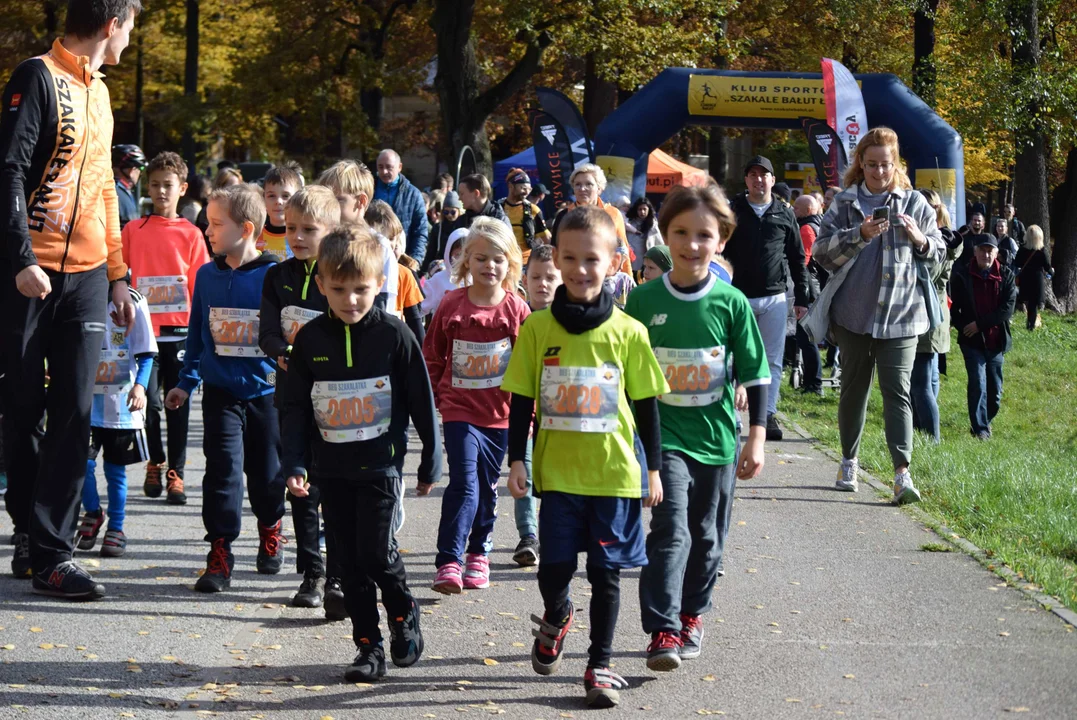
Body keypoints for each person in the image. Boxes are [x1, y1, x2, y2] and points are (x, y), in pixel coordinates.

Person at [501, 205, 668, 709]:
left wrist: (653, 470)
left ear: (615, 262)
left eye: (590, 259)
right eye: (568, 258)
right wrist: (517, 460)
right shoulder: (536, 329)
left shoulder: (629, 332)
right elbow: (521, 402)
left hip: (614, 475)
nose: (578, 269)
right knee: (554, 568)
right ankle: (557, 613)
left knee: (606, 573)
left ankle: (599, 664)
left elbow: (646, 406)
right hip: (557, 475)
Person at [1, 0, 140, 598]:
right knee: (22, 409)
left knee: (76, 414)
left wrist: (116, 274)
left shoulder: (103, 94)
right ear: (112, 25)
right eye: (131, 29)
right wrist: (21, 259)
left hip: (86, 279)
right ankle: (28, 532)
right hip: (26, 276)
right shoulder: (36, 76)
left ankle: (55, 553)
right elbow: (6, 171)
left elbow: (106, 187)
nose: (130, 42)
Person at [283, 225, 441, 682]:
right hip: (330, 469)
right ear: (322, 286)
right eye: (339, 290)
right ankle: (367, 648)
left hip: (380, 465)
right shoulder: (310, 340)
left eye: (362, 290)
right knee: (348, 563)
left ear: (379, 285)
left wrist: (432, 456)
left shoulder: (394, 336)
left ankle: (402, 611)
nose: (351, 300)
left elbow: (420, 398)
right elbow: (294, 406)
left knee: (375, 552)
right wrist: (294, 462)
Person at [625, 183, 769, 672]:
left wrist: (757, 436)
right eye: (681, 233)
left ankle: (692, 615)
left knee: (708, 535)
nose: (691, 245)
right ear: (665, 234)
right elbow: (625, 374)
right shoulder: (642, 303)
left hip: (717, 441)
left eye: (703, 235)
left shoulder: (731, 303)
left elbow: (755, 371)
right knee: (670, 531)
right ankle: (662, 629)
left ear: (721, 240)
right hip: (664, 438)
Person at [804, 127, 944, 504]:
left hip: (902, 317)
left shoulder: (914, 203)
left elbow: (939, 257)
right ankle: (849, 461)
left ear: (896, 164)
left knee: (897, 392)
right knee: (853, 391)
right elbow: (820, 253)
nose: (879, 172)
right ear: (860, 165)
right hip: (853, 316)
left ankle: (902, 473)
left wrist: (921, 240)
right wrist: (859, 234)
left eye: (886, 165)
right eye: (871, 165)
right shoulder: (845, 203)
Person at [165, 183, 286, 592]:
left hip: (266, 394)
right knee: (222, 474)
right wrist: (185, 382)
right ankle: (220, 552)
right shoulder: (206, 275)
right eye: (207, 223)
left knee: (267, 473)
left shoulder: (273, 276)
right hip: (220, 393)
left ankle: (271, 528)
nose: (208, 231)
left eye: (217, 224)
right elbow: (198, 335)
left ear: (247, 228)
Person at [423, 219, 530, 594]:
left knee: (485, 488)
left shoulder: (517, 310)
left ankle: (477, 554)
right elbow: (433, 355)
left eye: (498, 259)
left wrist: (527, 417)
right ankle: (449, 560)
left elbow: (529, 368)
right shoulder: (452, 304)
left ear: (510, 263)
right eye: (481, 258)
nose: (489, 266)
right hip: (459, 410)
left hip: (500, 415)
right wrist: (438, 397)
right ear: (466, 261)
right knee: (465, 483)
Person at [258, 185, 342, 613]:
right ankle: (312, 574)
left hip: (336, 400)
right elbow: (267, 334)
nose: (298, 237)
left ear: (331, 230)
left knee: (337, 488)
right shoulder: (277, 276)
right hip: (291, 398)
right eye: (291, 228)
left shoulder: (339, 275)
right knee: (301, 487)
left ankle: (340, 575)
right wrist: (287, 352)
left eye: (309, 228)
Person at [122, 151, 210, 505]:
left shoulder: (191, 234)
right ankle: (154, 462)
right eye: (155, 184)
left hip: (180, 333)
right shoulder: (133, 230)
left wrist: (203, 334)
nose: (161, 191)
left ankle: (177, 472)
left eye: (168, 186)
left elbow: (200, 287)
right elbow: (121, 276)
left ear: (182, 189)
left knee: (178, 405)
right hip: (145, 336)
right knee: (149, 405)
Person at [722, 155, 810, 440]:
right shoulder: (732, 211)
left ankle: (768, 414)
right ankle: (731, 415)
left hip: (774, 298)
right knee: (732, 358)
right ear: (746, 179)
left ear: (772, 180)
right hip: (737, 298)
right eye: (753, 174)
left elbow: (798, 258)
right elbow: (718, 252)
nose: (759, 180)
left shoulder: (784, 214)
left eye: (764, 175)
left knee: (772, 360)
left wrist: (802, 297)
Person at [511, 244, 562, 567]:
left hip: (559, 414)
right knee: (525, 471)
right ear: (525, 280)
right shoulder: (517, 315)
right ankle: (528, 535)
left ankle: (554, 531)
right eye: (536, 277)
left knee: (553, 476)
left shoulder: (567, 321)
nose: (542, 283)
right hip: (524, 411)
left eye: (550, 278)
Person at [950, 234, 1017, 440]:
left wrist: (979, 325)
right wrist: (965, 327)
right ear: (975, 251)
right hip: (972, 342)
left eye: (990, 251)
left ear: (996, 254)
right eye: (983, 250)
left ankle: (984, 421)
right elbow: (954, 310)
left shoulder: (1006, 275)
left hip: (995, 341)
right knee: (978, 383)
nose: (986, 255)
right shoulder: (962, 274)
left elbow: (1007, 309)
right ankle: (980, 429)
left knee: (995, 392)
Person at [910, 189, 962, 443]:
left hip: (927, 314)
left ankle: (932, 438)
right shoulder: (947, 239)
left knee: (920, 384)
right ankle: (923, 431)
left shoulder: (937, 241)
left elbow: (926, 275)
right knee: (929, 379)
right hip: (936, 314)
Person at [317, 160, 397, 311]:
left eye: (337, 199)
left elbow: (384, 303)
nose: (328, 206)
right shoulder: (325, 241)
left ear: (361, 201)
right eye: (326, 199)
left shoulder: (380, 246)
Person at [551, 164, 633, 275]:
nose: (582, 188)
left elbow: (623, 250)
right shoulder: (564, 216)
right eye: (577, 185)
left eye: (588, 184)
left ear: (599, 188)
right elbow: (555, 251)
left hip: (608, 278)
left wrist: (628, 280)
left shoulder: (613, 214)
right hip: (573, 276)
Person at [793, 194, 824, 395]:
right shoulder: (819, 225)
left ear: (806, 211)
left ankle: (814, 383)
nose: (793, 211)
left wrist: (800, 297)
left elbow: (802, 261)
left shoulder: (805, 228)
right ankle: (813, 381)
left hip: (808, 290)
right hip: (816, 287)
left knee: (806, 338)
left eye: (796, 208)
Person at [374, 149, 429, 264]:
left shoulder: (413, 194)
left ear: (399, 167)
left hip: (401, 261)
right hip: (372, 259)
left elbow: (420, 231)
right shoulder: (368, 190)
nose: (384, 171)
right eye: (380, 167)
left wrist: (415, 262)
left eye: (389, 167)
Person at [500, 168, 551, 265]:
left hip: (525, 264)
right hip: (503, 262)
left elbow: (547, 239)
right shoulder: (498, 209)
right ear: (511, 186)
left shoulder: (533, 210)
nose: (526, 192)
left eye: (529, 189)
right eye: (523, 188)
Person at [260, 162, 304, 261]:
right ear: (263, 198)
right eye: (271, 196)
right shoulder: (254, 237)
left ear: (298, 197)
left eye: (285, 196)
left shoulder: (303, 237)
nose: (278, 201)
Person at [422, 228, 469, 318]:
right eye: (458, 255)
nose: (462, 260)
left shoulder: (477, 279)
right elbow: (418, 309)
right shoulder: (439, 279)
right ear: (449, 254)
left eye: (466, 255)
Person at [1014, 225, 1053, 331]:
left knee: (1027, 301)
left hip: (1025, 278)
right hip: (1037, 280)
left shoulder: (1022, 249)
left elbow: (1016, 262)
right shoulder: (1041, 251)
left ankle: (1030, 322)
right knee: (1033, 304)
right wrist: (1051, 272)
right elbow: (1047, 266)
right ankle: (1031, 325)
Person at [424, 190, 463, 276]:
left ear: (459, 211)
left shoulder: (463, 227)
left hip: (457, 267)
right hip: (439, 268)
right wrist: (422, 272)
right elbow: (431, 252)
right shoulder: (438, 228)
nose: (449, 215)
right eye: (446, 212)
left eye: (453, 212)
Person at [112, 144, 146, 228]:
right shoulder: (116, 191)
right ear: (131, 169)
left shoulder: (122, 189)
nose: (140, 172)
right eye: (140, 168)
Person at [626, 198, 663, 273]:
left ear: (649, 209)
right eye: (640, 209)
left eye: (644, 209)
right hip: (632, 261)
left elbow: (659, 243)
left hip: (647, 262)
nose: (642, 212)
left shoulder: (653, 225)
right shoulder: (630, 224)